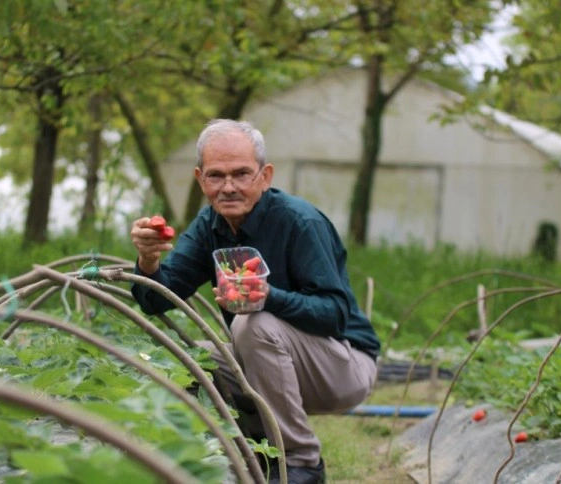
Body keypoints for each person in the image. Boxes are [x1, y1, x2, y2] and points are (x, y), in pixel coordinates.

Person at [130, 119, 379, 484]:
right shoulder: (208, 226)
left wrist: (268, 296)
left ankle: (300, 463)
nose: (228, 187)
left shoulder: (298, 222)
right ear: (200, 179)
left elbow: (335, 315)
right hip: (273, 361)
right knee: (187, 358)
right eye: (216, 176)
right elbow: (156, 301)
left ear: (265, 176)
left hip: (344, 365)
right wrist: (148, 262)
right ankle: (250, 452)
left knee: (253, 323)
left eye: (242, 174)